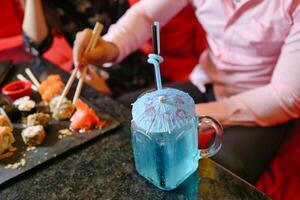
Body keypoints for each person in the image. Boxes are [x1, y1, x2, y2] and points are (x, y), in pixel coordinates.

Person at [73, 0, 300, 184]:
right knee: (118, 116)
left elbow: (286, 95)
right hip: (205, 81)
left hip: (263, 105)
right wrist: (110, 47)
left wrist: (188, 115)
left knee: (220, 174)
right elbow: (146, 15)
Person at [21, 0, 153, 97]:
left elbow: (137, 21)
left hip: (123, 59)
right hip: (82, 64)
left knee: (86, 98)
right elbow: (36, 46)